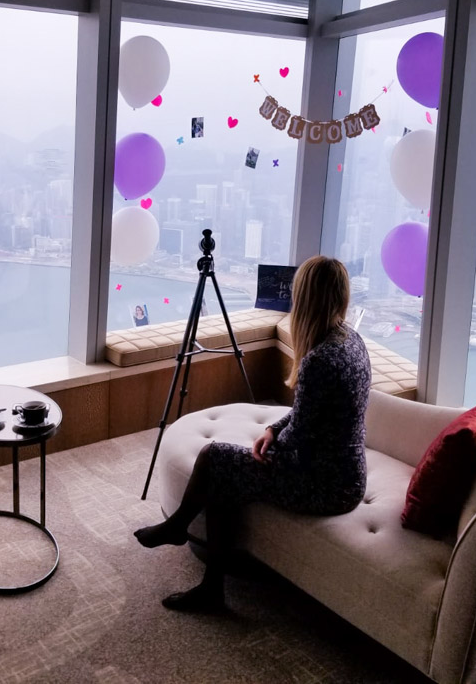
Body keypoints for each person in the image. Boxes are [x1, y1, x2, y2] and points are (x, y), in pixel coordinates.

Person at [134, 256, 371, 612]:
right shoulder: (351, 341)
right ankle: (201, 572)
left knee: (215, 458)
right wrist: (274, 431)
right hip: (346, 474)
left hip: (325, 484)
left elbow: (301, 447)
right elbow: (309, 417)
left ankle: (181, 532)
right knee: (225, 469)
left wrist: (269, 452)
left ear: (305, 298)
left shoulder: (320, 360)